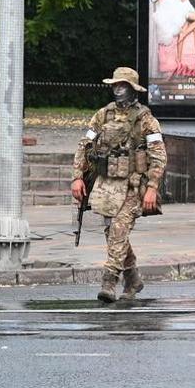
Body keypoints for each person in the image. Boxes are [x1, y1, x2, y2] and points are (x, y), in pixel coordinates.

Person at [72, 68, 167, 303]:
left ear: (132, 89)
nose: (117, 88)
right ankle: (133, 278)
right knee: (112, 232)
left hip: (134, 185)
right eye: (115, 84)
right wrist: (77, 176)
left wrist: (153, 187)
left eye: (122, 85)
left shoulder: (145, 119)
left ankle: (109, 282)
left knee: (118, 230)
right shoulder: (102, 115)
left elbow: (159, 155)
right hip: (107, 184)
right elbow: (85, 145)